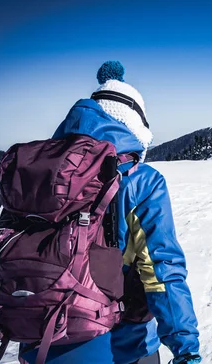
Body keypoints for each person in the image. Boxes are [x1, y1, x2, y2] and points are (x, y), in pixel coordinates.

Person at [20, 61, 202, 364]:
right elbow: (162, 273)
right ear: (135, 127)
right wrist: (186, 349)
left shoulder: (41, 173)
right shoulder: (141, 181)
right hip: (121, 347)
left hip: (37, 335)